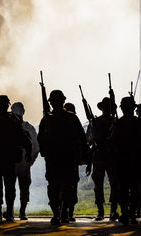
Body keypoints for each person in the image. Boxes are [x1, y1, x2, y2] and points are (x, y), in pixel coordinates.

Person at [37, 90, 87, 225]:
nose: (55, 103)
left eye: (57, 101)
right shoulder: (48, 119)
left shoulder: (69, 118)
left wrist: (83, 157)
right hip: (56, 158)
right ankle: (57, 213)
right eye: (54, 101)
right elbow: (40, 139)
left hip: (67, 158)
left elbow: (82, 139)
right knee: (55, 187)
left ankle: (63, 213)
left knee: (67, 187)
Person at [0, 95, 32, 225]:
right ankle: (4, 213)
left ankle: (4, 213)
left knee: (4, 187)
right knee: (3, 187)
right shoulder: (6, 120)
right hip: (2, 158)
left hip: (4, 158)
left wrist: (28, 149)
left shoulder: (0, 120)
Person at [108, 96, 141, 225]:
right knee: (133, 189)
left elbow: (112, 142)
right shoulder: (139, 123)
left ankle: (126, 213)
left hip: (124, 160)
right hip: (133, 160)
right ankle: (130, 213)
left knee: (124, 189)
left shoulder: (119, 123)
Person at [86, 97, 119, 221]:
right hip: (99, 156)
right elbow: (88, 140)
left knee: (115, 184)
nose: (106, 109)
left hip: (112, 156)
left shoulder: (116, 122)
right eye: (105, 107)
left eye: (108, 107)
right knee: (98, 185)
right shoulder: (95, 122)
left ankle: (113, 210)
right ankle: (101, 211)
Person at [11, 102, 39, 220]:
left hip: (24, 163)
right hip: (11, 162)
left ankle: (22, 211)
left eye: (19, 109)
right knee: (10, 188)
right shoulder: (9, 127)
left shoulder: (29, 127)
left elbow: (36, 146)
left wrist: (30, 160)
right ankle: (10, 210)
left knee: (24, 188)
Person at [63, 102, 82, 222]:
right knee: (69, 186)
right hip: (69, 159)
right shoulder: (72, 119)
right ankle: (66, 212)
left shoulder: (72, 120)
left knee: (68, 186)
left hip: (70, 159)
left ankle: (66, 212)